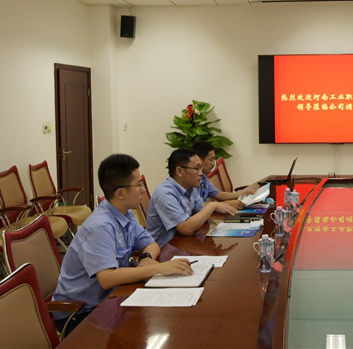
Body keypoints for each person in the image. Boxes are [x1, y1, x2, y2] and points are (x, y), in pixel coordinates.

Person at [52, 154, 193, 336]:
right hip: (80, 313)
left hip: (112, 298)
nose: (143, 190)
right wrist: (158, 268)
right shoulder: (101, 226)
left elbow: (151, 244)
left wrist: (146, 258)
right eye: (138, 184)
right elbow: (107, 278)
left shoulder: (124, 213)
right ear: (120, 193)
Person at [146, 148, 237, 247]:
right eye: (197, 168)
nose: (201, 173)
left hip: (183, 244)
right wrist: (212, 206)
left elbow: (202, 212)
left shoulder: (190, 187)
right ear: (180, 171)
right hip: (163, 250)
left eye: (201, 168)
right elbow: (186, 229)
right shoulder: (165, 194)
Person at [192, 141, 257, 207]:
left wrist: (243, 193)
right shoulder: (190, 180)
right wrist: (226, 204)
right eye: (211, 160)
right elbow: (195, 205)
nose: (213, 164)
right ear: (199, 160)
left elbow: (219, 195)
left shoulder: (203, 177)